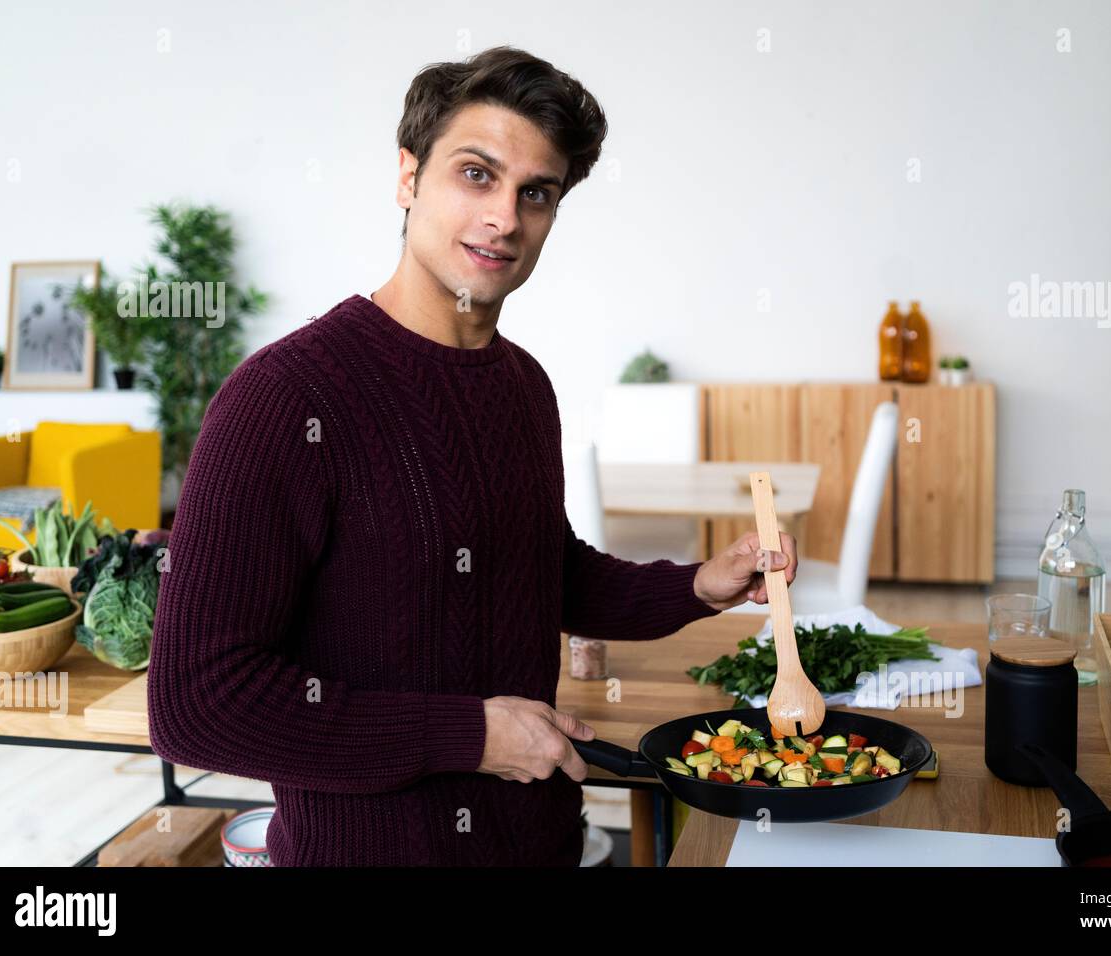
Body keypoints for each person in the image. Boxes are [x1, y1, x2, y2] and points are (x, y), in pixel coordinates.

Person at [147, 45, 798, 866]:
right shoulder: (285, 397)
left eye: (537, 193)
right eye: (476, 174)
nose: (505, 218)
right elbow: (196, 706)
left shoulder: (524, 385)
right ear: (408, 177)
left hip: (546, 846)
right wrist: (473, 735)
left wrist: (696, 587)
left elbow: (541, 572)